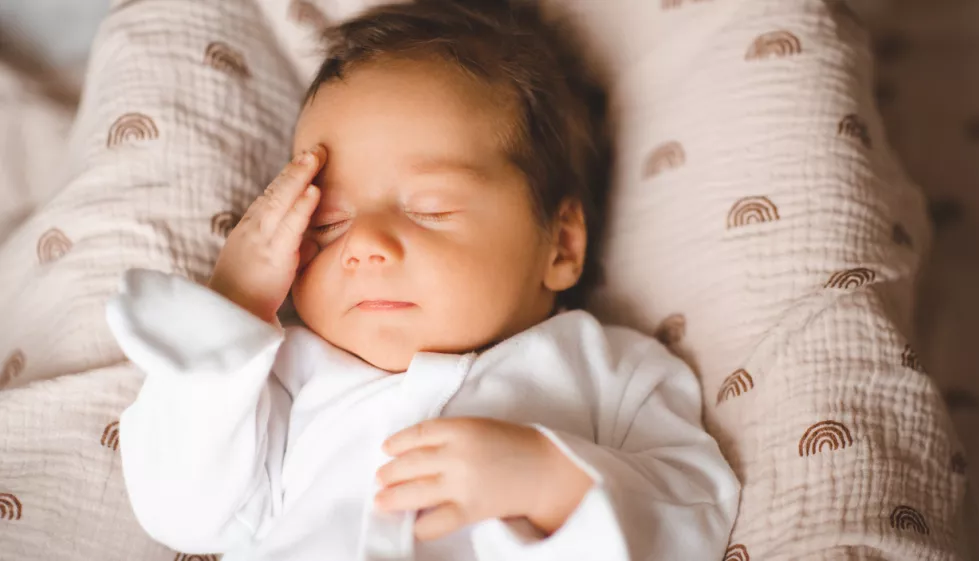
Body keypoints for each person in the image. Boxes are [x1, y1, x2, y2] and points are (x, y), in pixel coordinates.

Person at [106, 1, 740, 559]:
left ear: (561, 243)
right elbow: (180, 509)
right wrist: (234, 308)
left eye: (430, 209)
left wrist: (552, 483)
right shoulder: (284, 380)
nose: (365, 246)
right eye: (327, 225)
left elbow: (695, 509)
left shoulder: (611, 370)